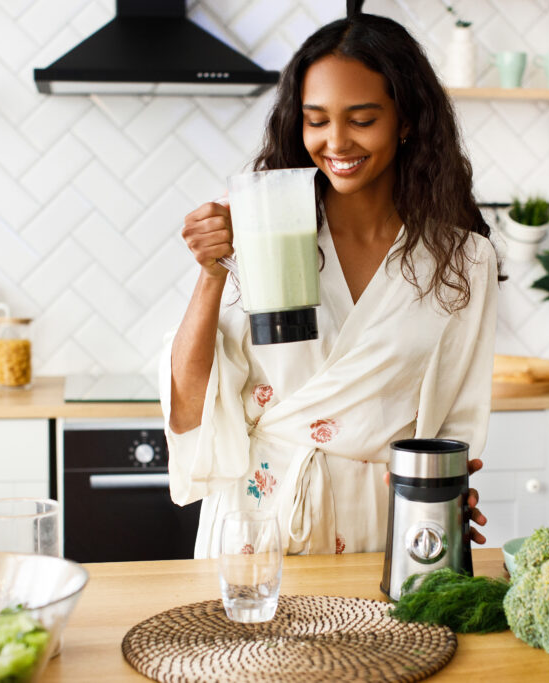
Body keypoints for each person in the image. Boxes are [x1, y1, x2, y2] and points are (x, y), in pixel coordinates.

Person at [159, 12, 501, 558]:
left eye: (362, 119)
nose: (335, 141)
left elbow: (456, 418)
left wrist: (446, 492)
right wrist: (211, 273)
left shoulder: (462, 261)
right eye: (316, 120)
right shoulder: (264, 230)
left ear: (406, 119)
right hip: (257, 523)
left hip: (381, 525)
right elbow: (190, 404)